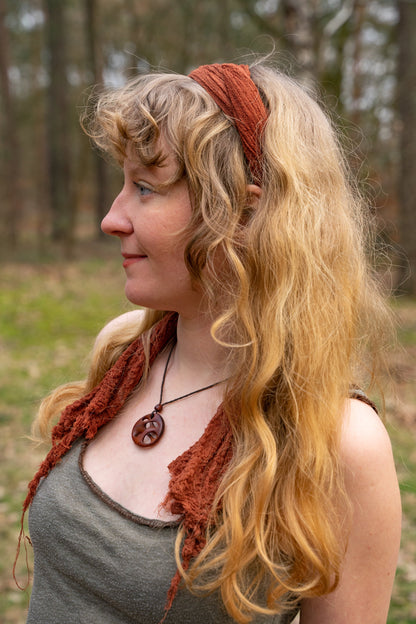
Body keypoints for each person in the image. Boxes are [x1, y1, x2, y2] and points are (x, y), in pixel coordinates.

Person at [16, 61, 401, 624]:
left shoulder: (337, 441)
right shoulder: (125, 353)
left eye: (145, 188)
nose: (111, 219)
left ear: (246, 213)